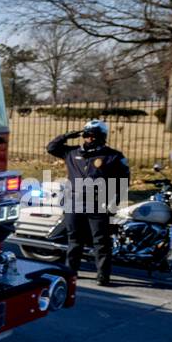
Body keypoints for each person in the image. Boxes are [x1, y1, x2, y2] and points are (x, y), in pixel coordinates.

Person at [47, 119, 130, 286]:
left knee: (101, 242)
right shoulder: (72, 153)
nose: (89, 138)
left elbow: (123, 181)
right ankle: (71, 273)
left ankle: (103, 276)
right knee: (74, 241)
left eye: (93, 136)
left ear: (102, 137)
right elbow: (51, 148)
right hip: (74, 203)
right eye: (86, 135)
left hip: (98, 204)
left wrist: (113, 203)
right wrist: (66, 136)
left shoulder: (113, 156)